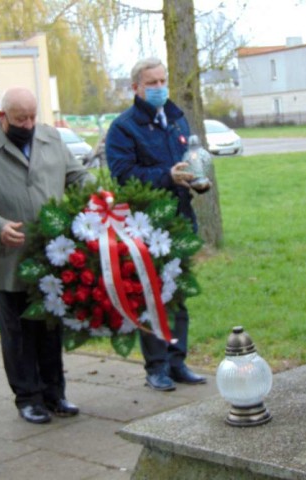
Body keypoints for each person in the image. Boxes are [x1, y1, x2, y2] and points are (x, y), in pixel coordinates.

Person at [0, 87, 94, 424]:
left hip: (53, 254)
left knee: (50, 328)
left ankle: (54, 392)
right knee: (18, 333)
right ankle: (28, 397)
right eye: (21, 118)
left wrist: (95, 191)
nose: (29, 124)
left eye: (33, 116)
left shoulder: (50, 137)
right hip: (10, 257)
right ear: (3, 116)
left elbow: (75, 175)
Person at [105, 57, 207, 392]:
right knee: (151, 296)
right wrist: (168, 176)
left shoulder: (177, 120)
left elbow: (188, 164)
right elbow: (124, 176)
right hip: (146, 225)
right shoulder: (123, 128)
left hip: (179, 221)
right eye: (152, 83)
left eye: (163, 81)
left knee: (177, 294)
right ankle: (157, 367)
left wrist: (195, 181)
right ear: (135, 87)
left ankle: (178, 362)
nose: (160, 88)